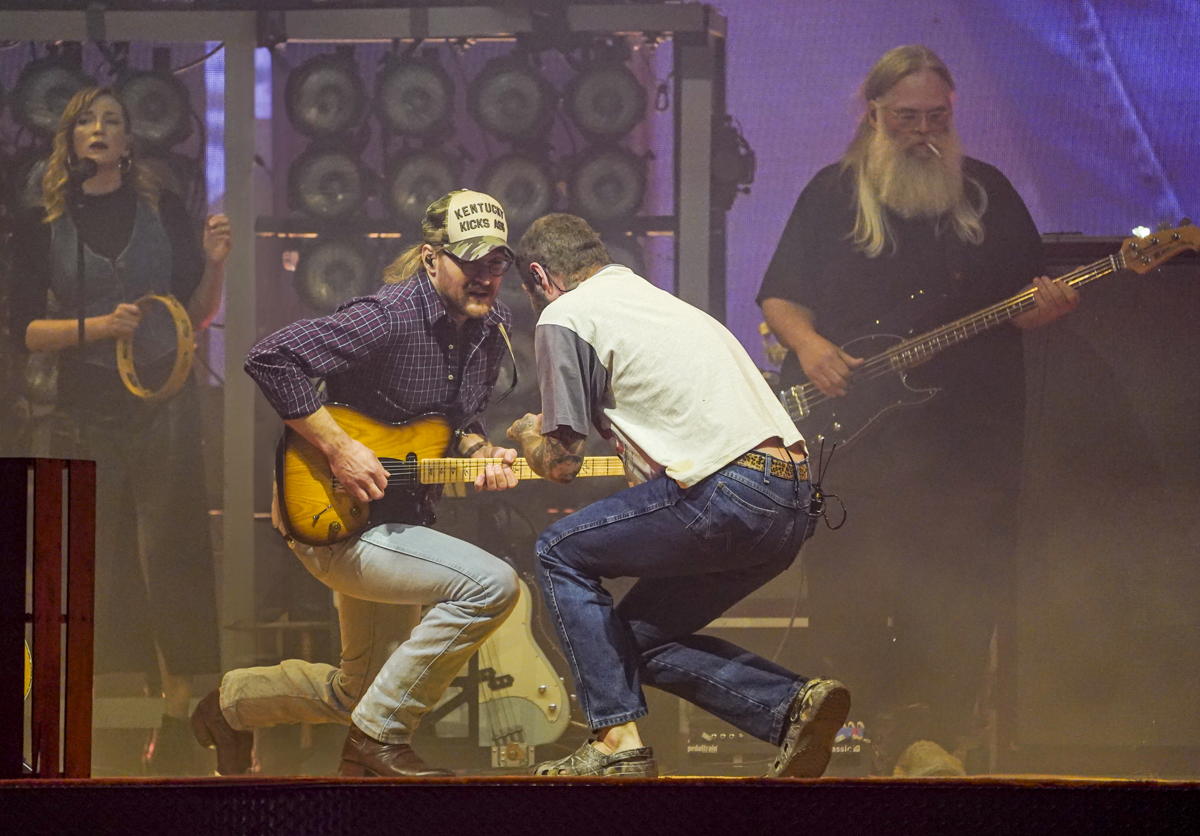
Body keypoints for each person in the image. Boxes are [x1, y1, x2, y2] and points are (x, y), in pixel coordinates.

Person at [757, 45, 1079, 774]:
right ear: (873, 114)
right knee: (857, 584)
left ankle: (935, 738)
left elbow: (1024, 304)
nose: (923, 131)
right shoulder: (831, 195)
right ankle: (877, 732)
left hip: (969, 437)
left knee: (962, 584)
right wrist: (810, 348)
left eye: (937, 116)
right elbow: (780, 297)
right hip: (856, 442)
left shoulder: (987, 194)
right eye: (906, 117)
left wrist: (1048, 306)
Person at [503, 213, 850, 779]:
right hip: (790, 500)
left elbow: (561, 463)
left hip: (731, 491)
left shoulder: (566, 314)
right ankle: (791, 707)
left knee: (558, 550)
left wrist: (524, 433)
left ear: (541, 276)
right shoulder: (654, 301)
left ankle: (616, 742)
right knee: (628, 643)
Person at [190, 189, 522, 777]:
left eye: (495, 264)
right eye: (470, 261)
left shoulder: (489, 328)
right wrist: (339, 448)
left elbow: (459, 419)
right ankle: (379, 742)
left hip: (402, 520)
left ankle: (230, 707)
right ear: (430, 258)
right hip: (334, 515)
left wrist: (480, 452)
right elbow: (270, 357)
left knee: (358, 692)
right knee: (491, 585)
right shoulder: (389, 316)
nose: (484, 277)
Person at [8, 86, 230, 775]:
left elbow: (193, 313)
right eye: (86, 121)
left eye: (113, 121)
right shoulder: (44, 221)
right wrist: (97, 328)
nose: (100, 130)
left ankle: (186, 707)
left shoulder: (160, 209)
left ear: (131, 143)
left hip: (161, 397)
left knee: (172, 548)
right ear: (69, 142)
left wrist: (216, 262)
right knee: (91, 556)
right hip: (83, 405)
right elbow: (26, 332)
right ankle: (95, 707)